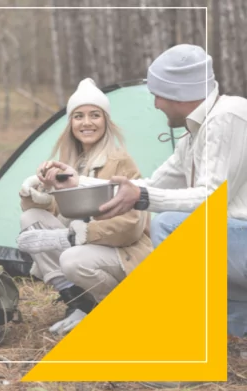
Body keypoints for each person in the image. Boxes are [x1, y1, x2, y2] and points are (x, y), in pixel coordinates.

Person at [47, 45, 247, 338]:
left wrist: (142, 199)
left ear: (179, 94)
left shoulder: (228, 117)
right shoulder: (194, 137)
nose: (155, 104)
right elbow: (152, 184)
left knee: (169, 223)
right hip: (236, 240)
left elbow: (210, 198)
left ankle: (177, 339)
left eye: (158, 95)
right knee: (234, 333)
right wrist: (78, 183)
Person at [15, 78, 153, 336]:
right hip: (86, 253)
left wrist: (73, 235)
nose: (86, 122)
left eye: (94, 115)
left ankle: (116, 311)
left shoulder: (120, 161)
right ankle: (78, 304)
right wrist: (37, 191)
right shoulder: (70, 162)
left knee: (71, 258)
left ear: (106, 121)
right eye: (78, 116)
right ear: (70, 124)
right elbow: (60, 213)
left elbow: (132, 225)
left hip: (123, 254)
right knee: (31, 218)